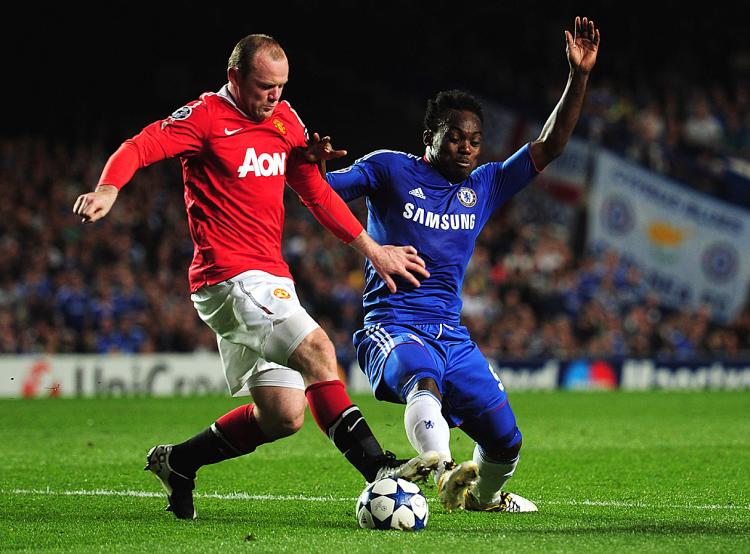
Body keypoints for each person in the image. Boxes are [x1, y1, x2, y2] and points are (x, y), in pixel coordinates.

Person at [73, 33, 438, 520]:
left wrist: (373, 250)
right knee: (319, 351)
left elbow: (316, 194)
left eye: (282, 87)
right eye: (265, 86)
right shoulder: (204, 117)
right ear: (234, 78)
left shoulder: (286, 122)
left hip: (267, 277)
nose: (275, 97)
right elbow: (139, 146)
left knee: (283, 415)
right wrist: (107, 188)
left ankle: (179, 462)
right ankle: (379, 468)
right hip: (226, 277)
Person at [323, 16, 600, 512]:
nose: (467, 147)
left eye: (474, 140)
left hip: (452, 334)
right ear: (429, 135)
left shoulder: (485, 185)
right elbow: (321, 192)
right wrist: (309, 163)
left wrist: (578, 77)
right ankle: (442, 467)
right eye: (455, 138)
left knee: (506, 439)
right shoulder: (389, 168)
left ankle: (482, 499)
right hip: (392, 325)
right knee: (421, 379)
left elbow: (551, 145)